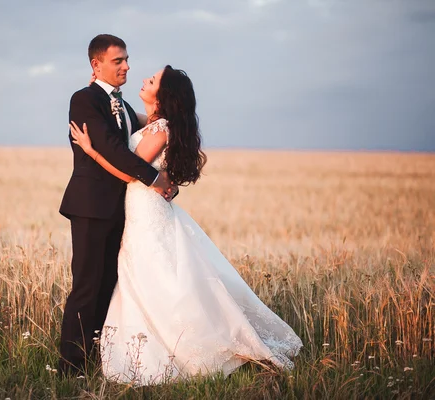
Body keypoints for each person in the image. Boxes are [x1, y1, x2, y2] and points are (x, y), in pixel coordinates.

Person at [69, 64, 303, 385]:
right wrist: (98, 92)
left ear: (162, 96)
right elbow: (122, 118)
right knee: (142, 276)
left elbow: (129, 172)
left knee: (154, 277)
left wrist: (90, 150)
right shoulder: (150, 121)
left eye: (152, 81)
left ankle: (175, 349)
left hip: (147, 211)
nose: (144, 79)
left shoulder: (160, 127)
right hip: (140, 208)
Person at [58, 34, 177, 376]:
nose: (126, 66)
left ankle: (99, 359)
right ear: (96, 65)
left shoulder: (123, 106)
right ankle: (71, 367)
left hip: (123, 209)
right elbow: (111, 148)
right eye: (118, 61)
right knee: (86, 287)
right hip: (91, 207)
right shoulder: (84, 100)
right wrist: (155, 181)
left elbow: (158, 127)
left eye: (127, 59)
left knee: (108, 286)